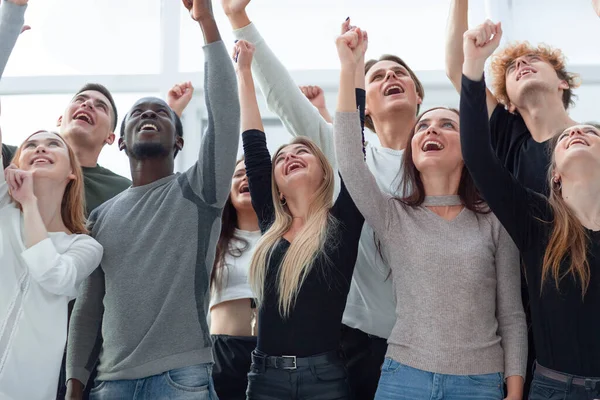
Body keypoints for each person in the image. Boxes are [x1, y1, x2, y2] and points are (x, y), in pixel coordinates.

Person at [222, 1, 425, 396]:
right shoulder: (346, 152)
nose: (389, 77)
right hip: (353, 343)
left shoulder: (443, 156)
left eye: (399, 73)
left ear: (418, 94)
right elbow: (282, 100)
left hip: (424, 344)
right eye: (378, 75)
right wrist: (238, 21)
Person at [334, 28, 527, 400]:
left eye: (446, 125)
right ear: (413, 152)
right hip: (402, 379)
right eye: (423, 126)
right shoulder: (394, 216)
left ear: (468, 145)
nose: (430, 130)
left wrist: (514, 392)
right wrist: (349, 68)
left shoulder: (494, 220)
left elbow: (512, 316)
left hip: (481, 384)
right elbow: (350, 161)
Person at [64, 0, 239, 398]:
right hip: (109, 384)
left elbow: (227, 113)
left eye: (161, 113)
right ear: (121, 141)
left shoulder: (200, 190)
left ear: (179, 140)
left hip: (181, 379)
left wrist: (207, 22)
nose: (149, 114)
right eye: (138, 112)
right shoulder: (102, 216)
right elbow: (89, 307)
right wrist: (75, 384)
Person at [460, 26, 600, 398]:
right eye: (567, 140)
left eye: (591, 134)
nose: (576, 135)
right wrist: (473, 63)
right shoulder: (539, 223)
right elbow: (477, 156)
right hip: (552, 383)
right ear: (553, 176)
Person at [236, 39, 364, 399]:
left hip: (325, 379)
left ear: (325, 172)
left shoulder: (344, 223)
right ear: (274, 186)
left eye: (302, 151)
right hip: (264, 378)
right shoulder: (269, 226)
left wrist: (350, 66)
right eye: (282, 158)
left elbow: (352, 147)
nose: (290, 156)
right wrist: (244, 72)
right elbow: (254, 146)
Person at [0, 128, 103, 400]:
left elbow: (53, 276)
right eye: (31, 145)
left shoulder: (85, 246)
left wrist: (30, 204)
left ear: (72, 171)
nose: (41, 148)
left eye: (53, 144)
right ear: (15, 166)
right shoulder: (2, 210)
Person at [209, 156, 261, 400]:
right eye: (239, 174)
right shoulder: (213, 240)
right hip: (222, 354)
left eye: (253, 172)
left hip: (273, 355)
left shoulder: (286, 236)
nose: (246, 178)